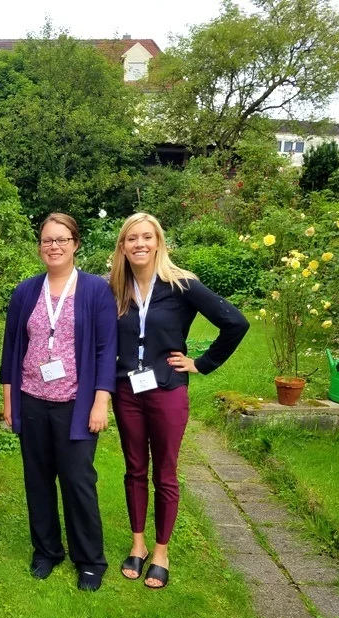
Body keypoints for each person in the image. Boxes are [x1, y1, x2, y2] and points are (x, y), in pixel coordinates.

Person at [109, 212, 249, 589]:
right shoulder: (117, 288)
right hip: (127, 391)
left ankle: (160, 551)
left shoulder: (182, 284)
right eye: (131, 239)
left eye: (146, 237)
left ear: (158, 242)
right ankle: (137, 545)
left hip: (168, 390)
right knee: (135, 468)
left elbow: (236, 322)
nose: (139, 244)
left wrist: (201, 364)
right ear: (122, 246)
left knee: (165, 472)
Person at [0, 213, 118, 591]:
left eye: (61, 239)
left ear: (75, 243)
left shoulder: (96, 290)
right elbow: (12, 349)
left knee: (78, 481)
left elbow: (105, 349)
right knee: (37, 480)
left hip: (75, 404)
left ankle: (89, 560)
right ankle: (47, 551)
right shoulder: (26, 291)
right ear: (40, 246)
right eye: (47, 240)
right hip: (32, 399)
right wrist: (9, 401)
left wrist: (101, 402)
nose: (54, 246)